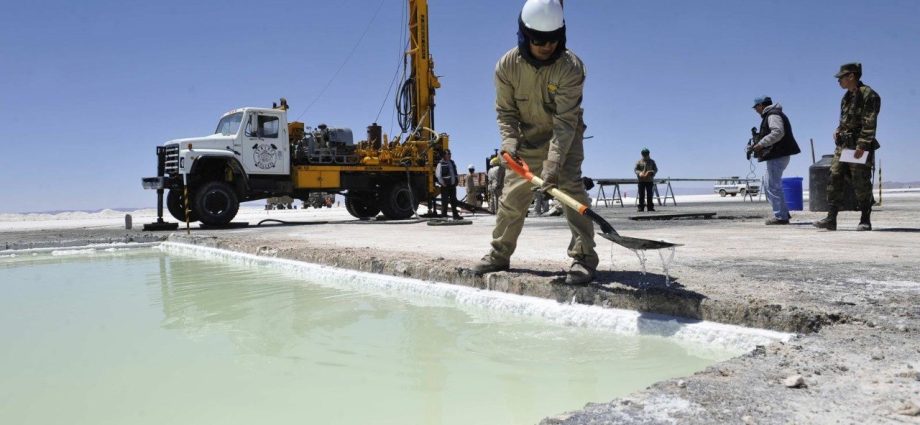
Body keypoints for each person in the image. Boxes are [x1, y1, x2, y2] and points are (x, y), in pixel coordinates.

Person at [472, 0, 598, 285]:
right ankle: (499, 254)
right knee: (512, 198)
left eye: (553, 40)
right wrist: (510, 144)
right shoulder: (507, 66)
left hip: (565, 139)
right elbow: (506, 113)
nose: (546, 47)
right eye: (539, 41)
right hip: (526, 140)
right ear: (524, 35)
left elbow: (565, 122)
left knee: (571, 190)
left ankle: (584, 258)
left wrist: (553, 164)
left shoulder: (571, 68)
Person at [814, 63, 881, 231]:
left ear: (851, 76)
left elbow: (869, 123)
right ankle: (831, 219)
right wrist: (838, 130)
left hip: (858, 145)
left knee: (860, 181)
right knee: (834, 176)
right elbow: (845, 120)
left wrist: (862, 145)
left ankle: (865, 219)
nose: (839, 81)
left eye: (841, 78)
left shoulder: (868, 94)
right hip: (844, 145)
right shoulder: (846, 97)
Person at [750, 96, 801, 225]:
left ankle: (781, 217)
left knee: (772, 185)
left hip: (778, 155)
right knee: (770, 185)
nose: (756, 110)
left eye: (756, 107)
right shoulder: (773, 114)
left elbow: (778, 132)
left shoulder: (772, 115)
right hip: (777, 154)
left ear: (761, 105)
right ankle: (783, 213)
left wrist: (761, 144)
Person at [435, 150, 462, 220]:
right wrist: (442, 183)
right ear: (444, 155)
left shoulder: (452, 162)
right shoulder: (440, 164)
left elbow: (455, 173)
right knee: (445, 201)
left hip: (452, 185)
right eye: (448, 154)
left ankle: (455, 215)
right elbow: (438, 175)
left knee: (454, 201)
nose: (450, 155)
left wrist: (456, 181)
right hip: (445, 186)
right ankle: (444, 216)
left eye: (450, 154)